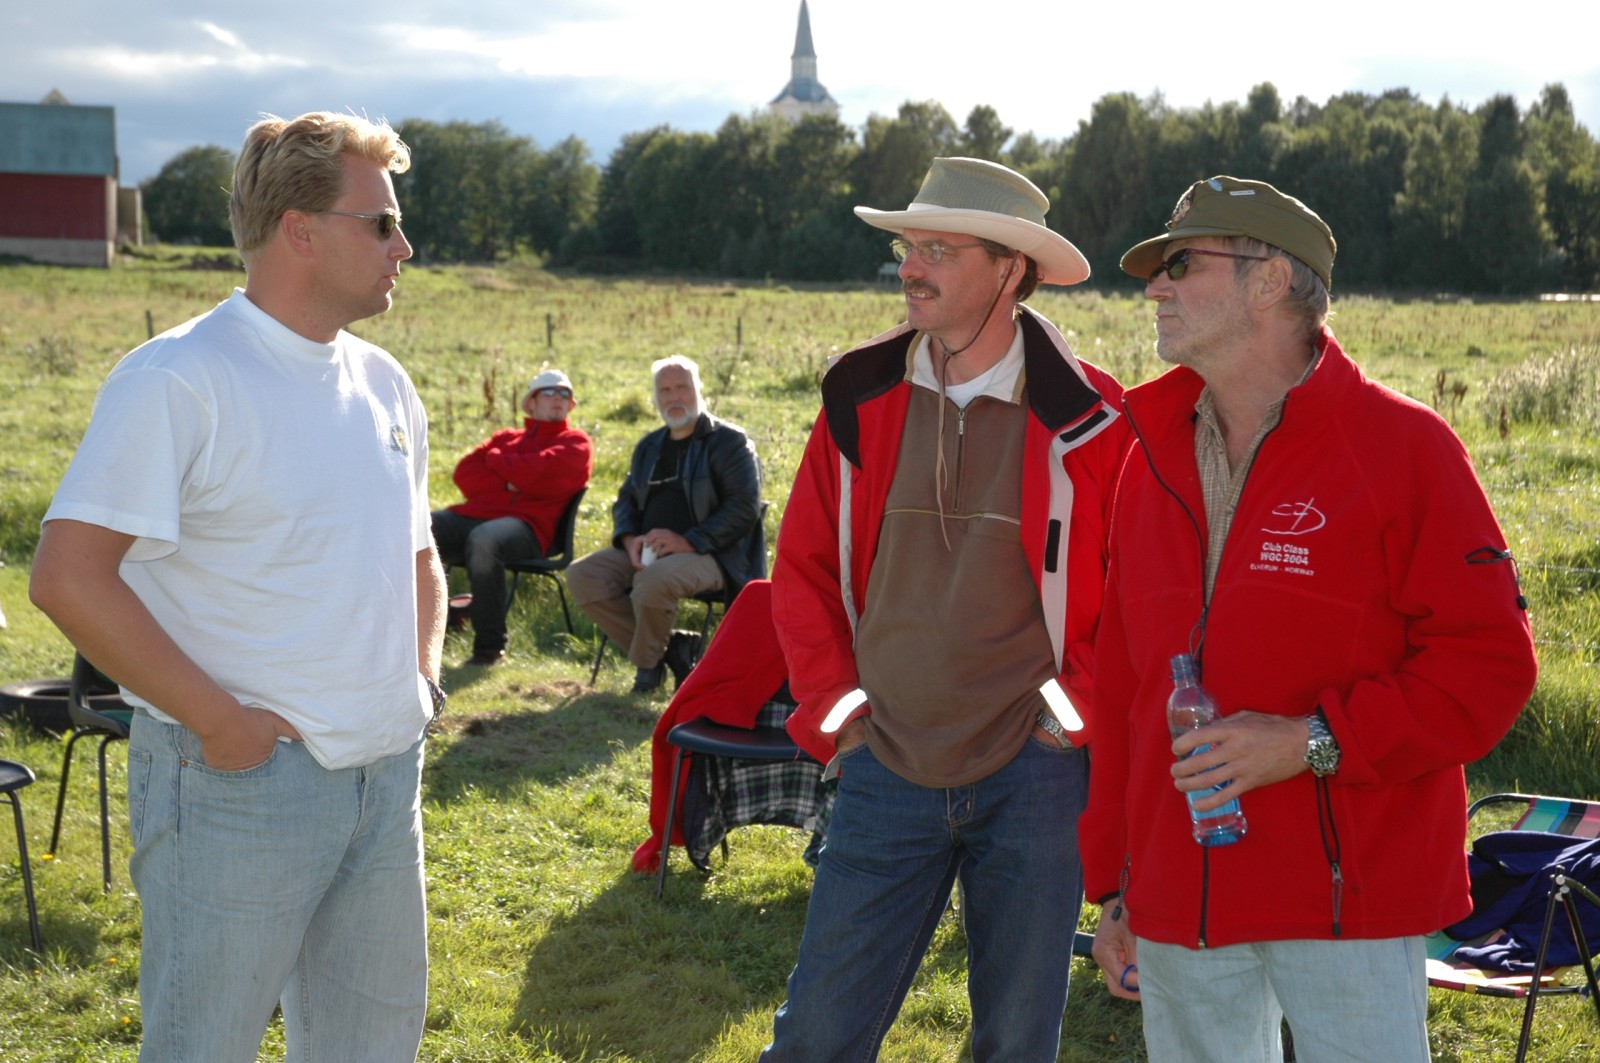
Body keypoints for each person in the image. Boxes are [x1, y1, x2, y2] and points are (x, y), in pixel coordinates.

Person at [1080, 175, 1539, 1062]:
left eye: (1182, 263)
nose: (1155, 286)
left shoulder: (1406, 448)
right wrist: (1116, 884)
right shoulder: (1148, 455)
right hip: (1178, 893)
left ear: (1269, 281)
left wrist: (1311, 741)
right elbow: (1124, 688)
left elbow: (1488, 666)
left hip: (1350, 896)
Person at [29, 111, 441, 1063]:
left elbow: (418, 551)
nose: (404, 246)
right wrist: (223, 725)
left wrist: (421, 684)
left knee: (370, 1050)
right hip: (239, 788)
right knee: (203, 1046)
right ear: (301, 230)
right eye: (382, 222)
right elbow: (68, 574)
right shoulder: (180, 378)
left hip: (387, 779)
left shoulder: (386, 383)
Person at [763, 157, 1129, 1060]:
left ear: (1010, 269)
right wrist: (842, 719)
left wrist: (1065, 722)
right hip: (884, 761)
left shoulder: (1094, 417)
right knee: (816, 1037)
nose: (910, 267)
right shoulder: (858, 392)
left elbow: (1129, 599)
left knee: (1016, 1041)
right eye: (907, 247)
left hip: (1035, 775)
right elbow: (803, 570)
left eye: (938, 249)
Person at [567, 355, 763, 693]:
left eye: (682, 388)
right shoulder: (649, 446)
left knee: (653, 581)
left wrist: (689, 541)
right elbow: (626, 501)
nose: (674, 397)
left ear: (699, 389)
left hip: (715, 555)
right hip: (649, 552)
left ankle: (647, 671)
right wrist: (628, 539)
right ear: (655, 397)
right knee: (583, 575)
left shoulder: (730, 442)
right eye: (665, 390)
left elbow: (744, 508)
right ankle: (673, 651)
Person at [431, 368, 592, 666]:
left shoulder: (576, 443)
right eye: (549, 392)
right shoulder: (506, 438)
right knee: (421, 528)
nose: (558, 397)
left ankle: (489, 648)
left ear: (571, 405)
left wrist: (495, 461)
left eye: (565, 393)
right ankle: (415, 629)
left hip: (530, 530)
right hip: (477, 517)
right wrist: (512, 481)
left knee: (485, 540)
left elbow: (544, 475)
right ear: (531, 402)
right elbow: (464, 474)